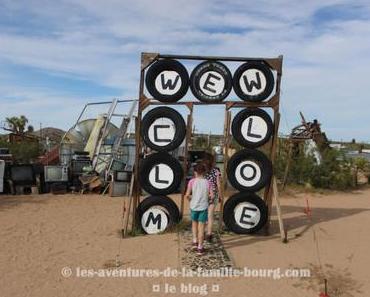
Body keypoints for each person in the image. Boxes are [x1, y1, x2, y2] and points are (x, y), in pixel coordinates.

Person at [185, 163, 214, 255]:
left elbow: (187, 195)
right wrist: (208, 199)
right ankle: (200, 248)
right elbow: (212, 196)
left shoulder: (192, 181)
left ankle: (195, 241)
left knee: (194, 224)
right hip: (204, 207)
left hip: (194, 206)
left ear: (195, 172)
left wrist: (191, 200)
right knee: (201, 227)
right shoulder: (207, 182)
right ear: (204, 172)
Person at [203, 152, 223, 243]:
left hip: (203, 195)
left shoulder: (203, 170)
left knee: (203, 215)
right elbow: (219, 184)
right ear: (213, 161)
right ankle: (209, 234)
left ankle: (201, 233)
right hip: (213, 195)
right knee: (210, 215)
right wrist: (220, 195)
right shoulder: (216, 171)